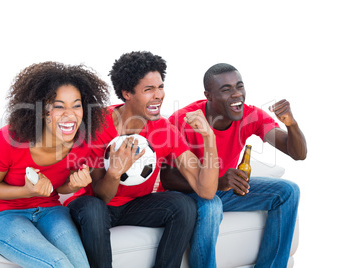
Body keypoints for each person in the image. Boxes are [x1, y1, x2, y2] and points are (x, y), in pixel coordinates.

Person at [64, 51, 219, 268]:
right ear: (127, 93)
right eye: (149, 90)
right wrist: (115, 173)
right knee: (93, 210)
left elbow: (206, 191)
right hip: (96, 205)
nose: (158, 95)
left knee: (184, 206)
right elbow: (102, 196)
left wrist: (209, 137)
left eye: (160, 87)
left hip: (136, 205)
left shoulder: (165, 130)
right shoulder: (98, 125)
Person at [160, 63, 307, 268]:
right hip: (188, 194)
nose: (237, 94)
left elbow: (298, 153)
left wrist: (291, 124)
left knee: (288, 191)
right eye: (226, 89)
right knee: (212, 205)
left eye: (239, 86)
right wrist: (216, 183)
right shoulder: (184, 119)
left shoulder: (250, 115)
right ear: (208, 95)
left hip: (222, 189)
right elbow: (167, 179)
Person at [0, 61, 109, 267]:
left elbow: (57, 188)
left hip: (50, 210)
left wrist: (73, 186)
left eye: (76, 105)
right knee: (58, 263)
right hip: (3, 215)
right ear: (40, 110)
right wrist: (26, 191)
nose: (70, 114)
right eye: (59, 106)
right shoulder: (7, 139)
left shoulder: (81, 143)